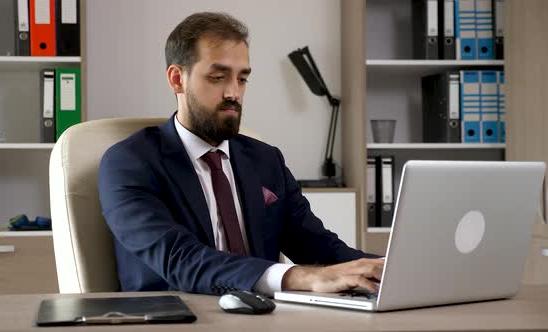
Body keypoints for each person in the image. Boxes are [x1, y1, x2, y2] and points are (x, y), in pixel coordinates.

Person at [98, 12, 383, 296]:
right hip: (176, 319)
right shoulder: (129, 163)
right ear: (177, 79)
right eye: (218, 77)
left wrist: (385, 270)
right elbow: (180, 260)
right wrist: (301, 278)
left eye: (243, 78)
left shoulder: (266, 160)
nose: (234, 92)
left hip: (263, 319)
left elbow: (320, 247)